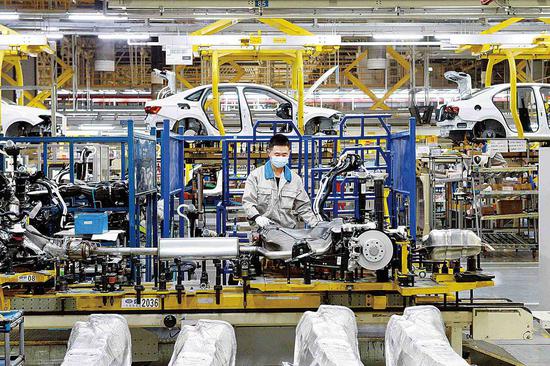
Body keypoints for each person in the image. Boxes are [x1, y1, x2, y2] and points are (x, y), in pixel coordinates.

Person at [242, 134, 319, 229]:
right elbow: (248, 203)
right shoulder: (256, 176)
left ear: (289, 153)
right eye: (277, 154)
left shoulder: (294, 179)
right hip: (262, 230)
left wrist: (317, 226)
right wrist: (257, 217)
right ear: (269, 153)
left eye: (284, 155)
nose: (280, 157)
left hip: (288, 231)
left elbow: (303, 207)